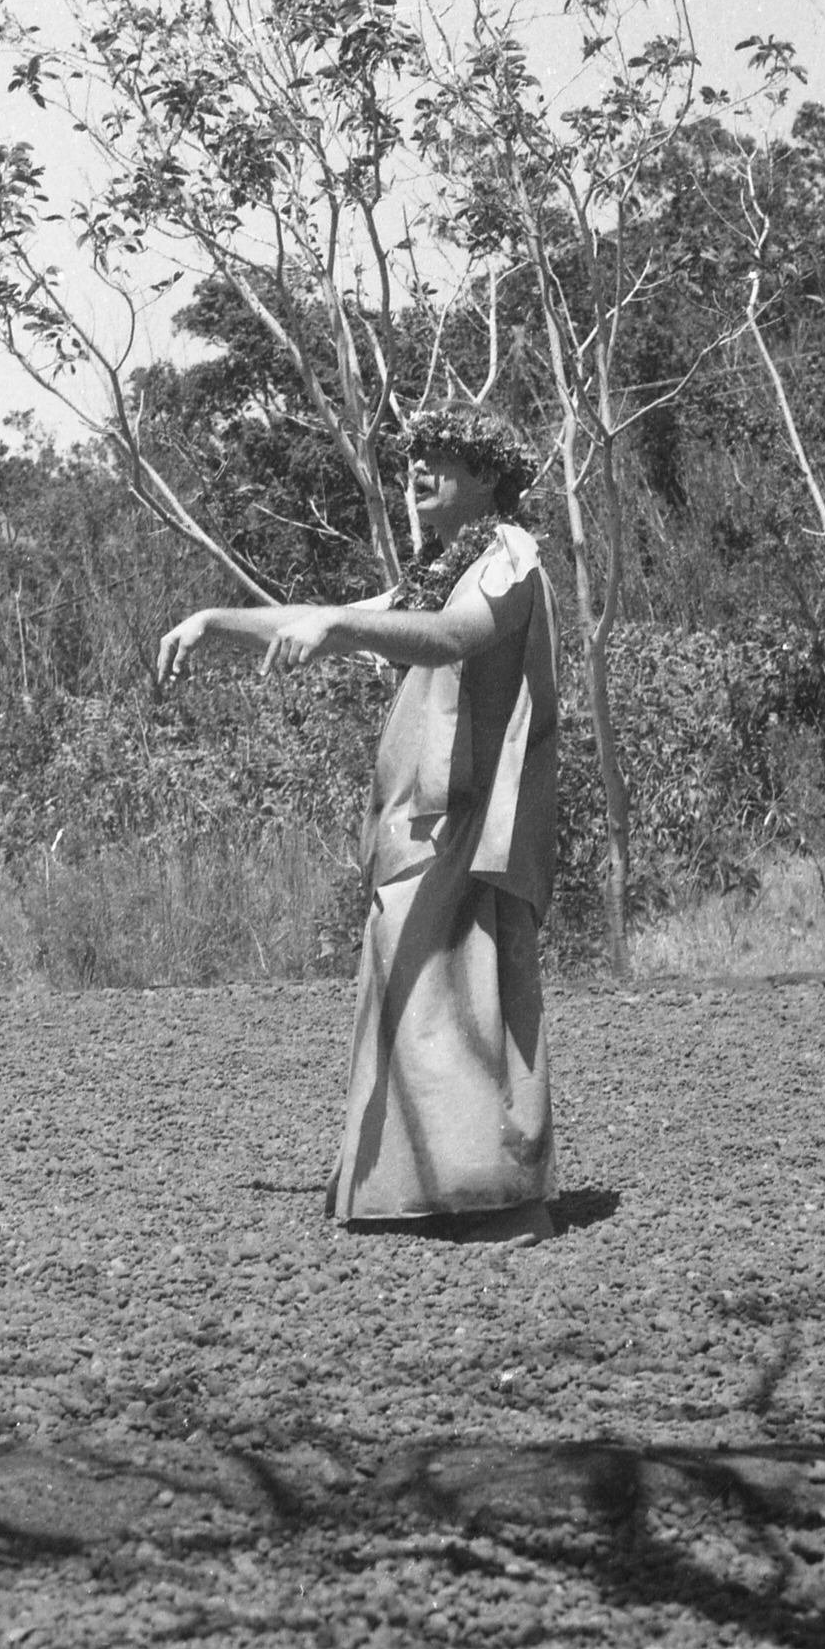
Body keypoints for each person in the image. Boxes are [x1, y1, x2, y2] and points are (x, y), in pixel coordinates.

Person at [157, 410, 560, 1244]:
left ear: (488, 477)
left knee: (466, 998)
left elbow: (453, 638)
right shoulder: (443, 569)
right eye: (413, 460)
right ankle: (427, 1191)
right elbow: (335, 616)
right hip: (422, 823)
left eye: (440, 459)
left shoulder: (509, 561)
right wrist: (217, 621)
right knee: (412, 996)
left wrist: (339, 626)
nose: (418, 472)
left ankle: (507, 1200)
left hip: (473, 825)